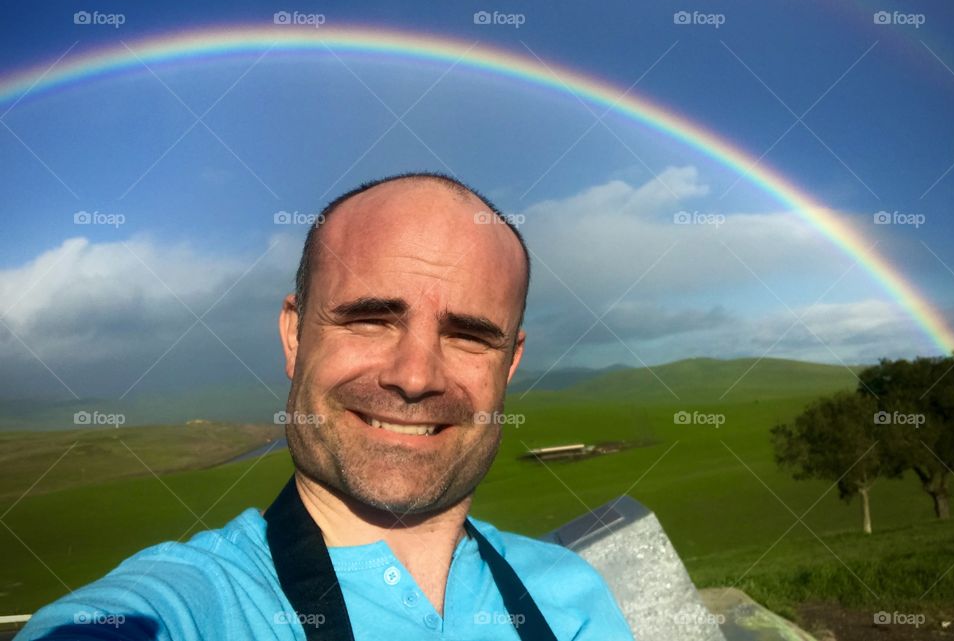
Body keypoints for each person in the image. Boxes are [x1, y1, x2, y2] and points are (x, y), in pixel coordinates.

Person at [17, 172, 635, 641]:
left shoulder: (573, 597)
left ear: (511, 365)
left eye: (470, 335)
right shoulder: (183, 605)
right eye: (368, 319)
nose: (416, 376)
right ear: (294, 336)